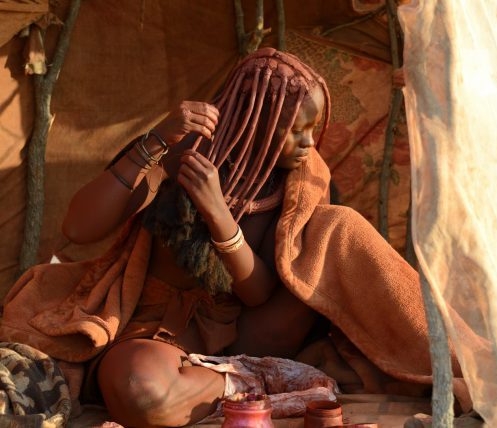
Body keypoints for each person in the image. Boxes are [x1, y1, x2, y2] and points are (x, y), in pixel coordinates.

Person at [0, 48, 470, 427]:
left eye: (313, 128)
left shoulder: (303, 177)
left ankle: (455, 367)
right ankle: (257, 384)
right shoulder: (181, 156)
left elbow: (259, 290)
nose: (310, 143)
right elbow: (78, 229)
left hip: (254, 325)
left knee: (341, 227)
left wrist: (220, 215)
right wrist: (153, 143)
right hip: (162, 331)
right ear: (254, 120)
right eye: (296, 130)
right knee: (142, 397)